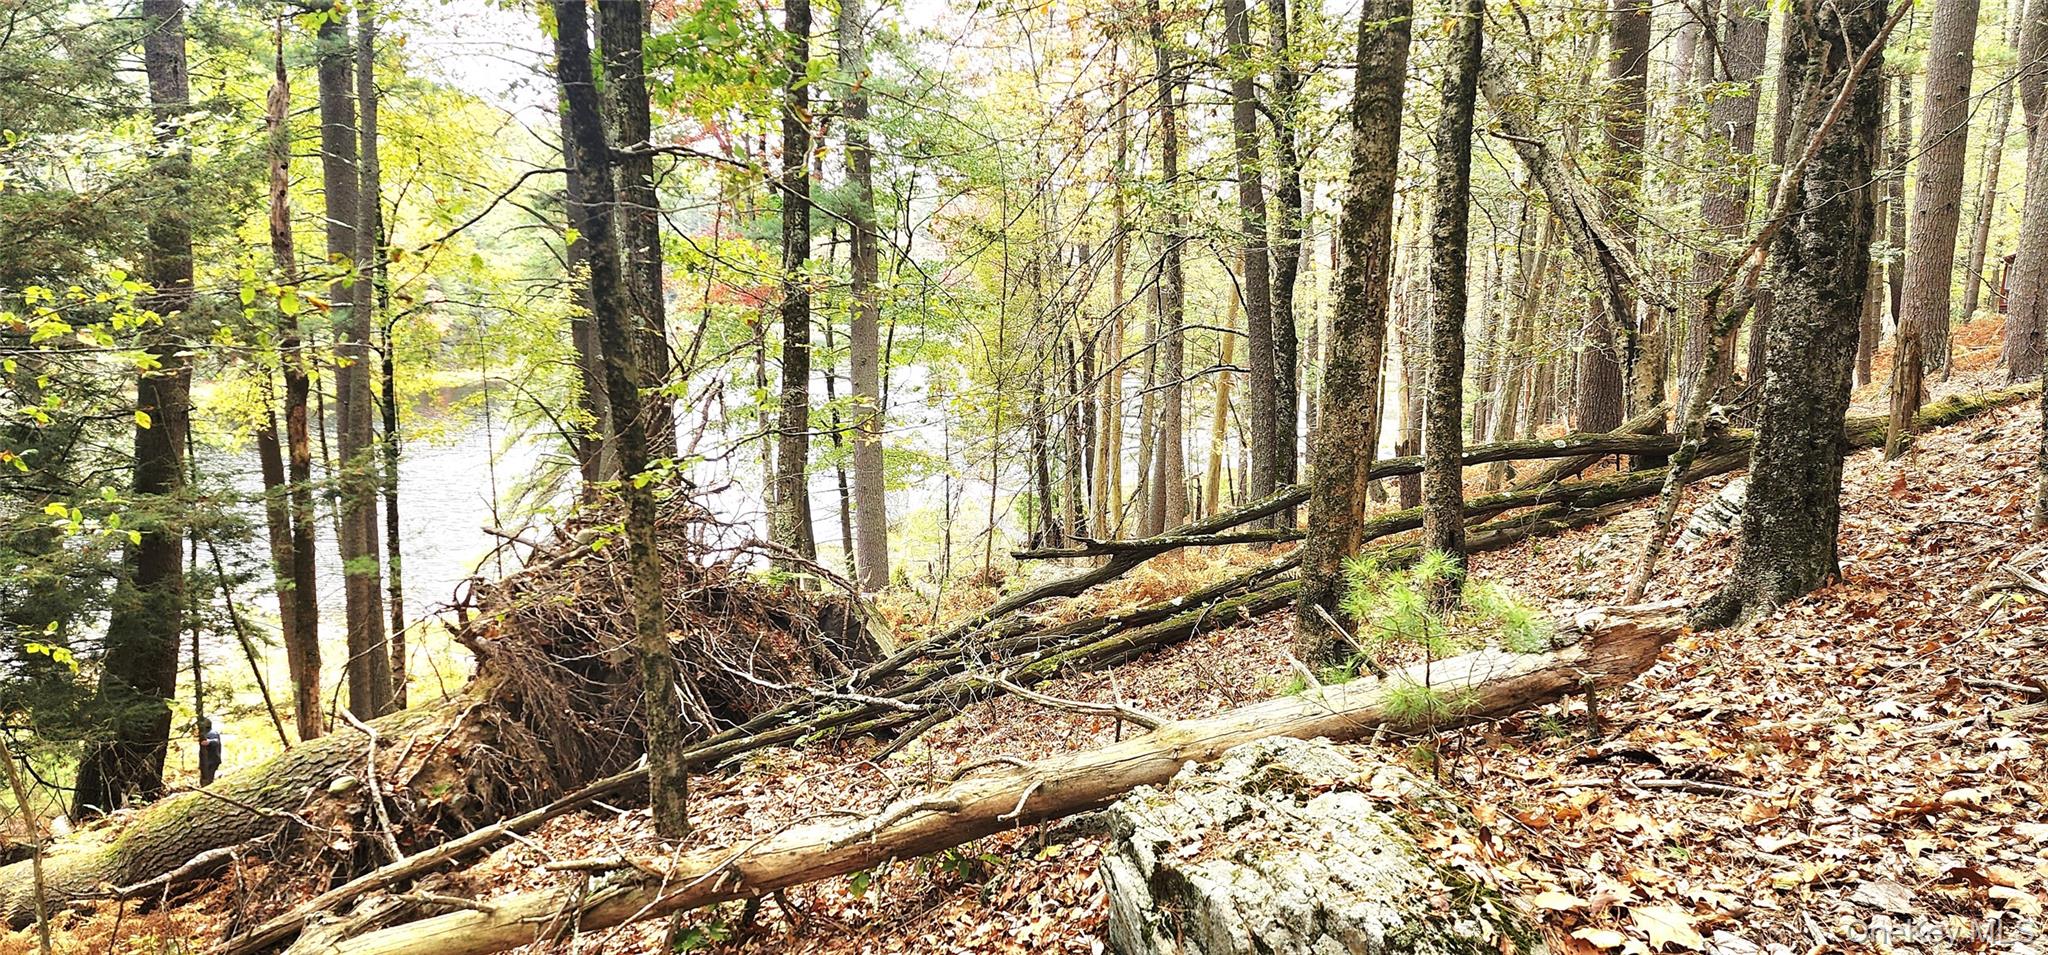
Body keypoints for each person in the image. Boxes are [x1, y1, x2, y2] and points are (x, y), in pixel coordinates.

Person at [197, 717, 222, 786]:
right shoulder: (204, 733)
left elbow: (216, 741)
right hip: (207, 760)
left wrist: (209, 742)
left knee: (208, 779)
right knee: (204, 778)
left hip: (212, 760)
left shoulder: (212, 733)